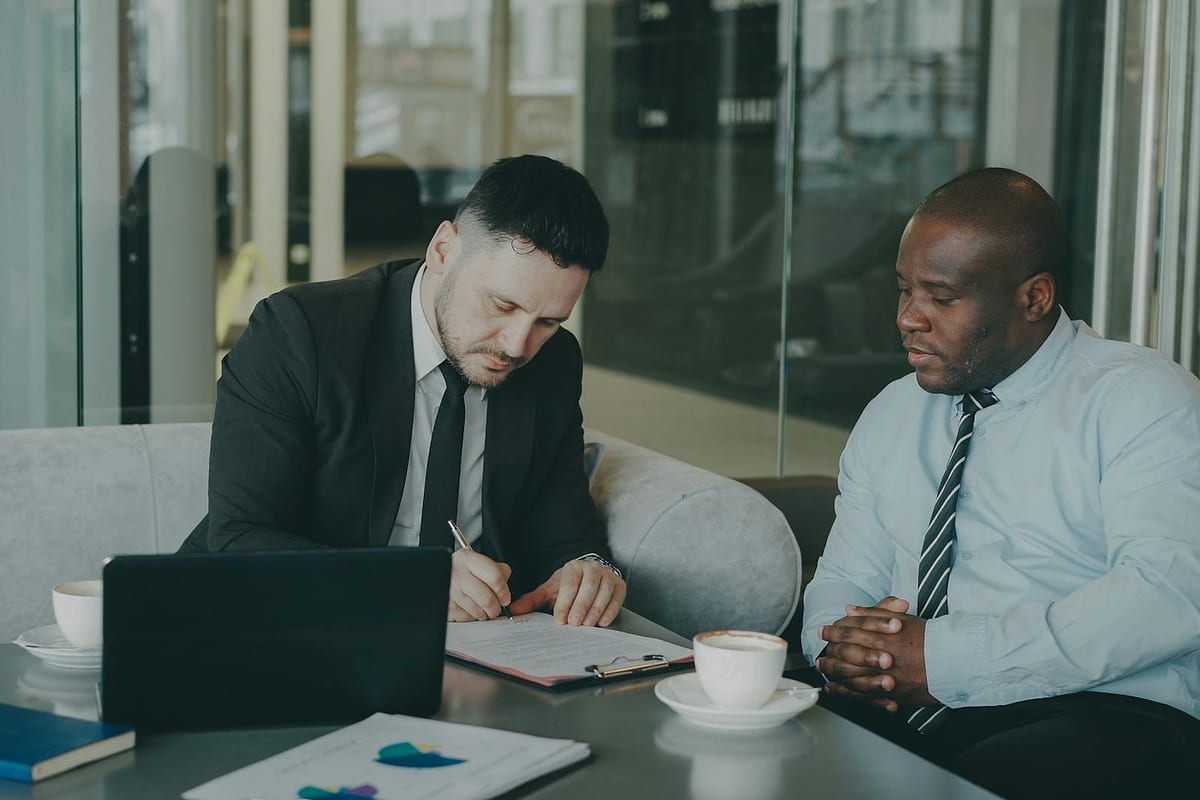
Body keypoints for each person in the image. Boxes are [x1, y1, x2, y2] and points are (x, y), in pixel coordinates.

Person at [801, 168, 1200, 798]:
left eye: (942, 296)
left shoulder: (1142, 398)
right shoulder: (892, 411)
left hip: (1101, 708)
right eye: (905, 290)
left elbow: (1168, 592)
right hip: (901, 700)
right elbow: (846, 575)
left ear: (1034, 297)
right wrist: (847, 651)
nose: (909, 318)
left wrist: (946, 660)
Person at [180, 155, 627, 628]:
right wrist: (412, 581)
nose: (517, 345)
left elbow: (564, 531)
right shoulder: (299, 334)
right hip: (280, 624)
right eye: (502, 304)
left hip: (471, 648)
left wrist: (590, 571)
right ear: (442, 251)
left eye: (548, 321)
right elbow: (239, 538)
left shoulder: (553, 361)